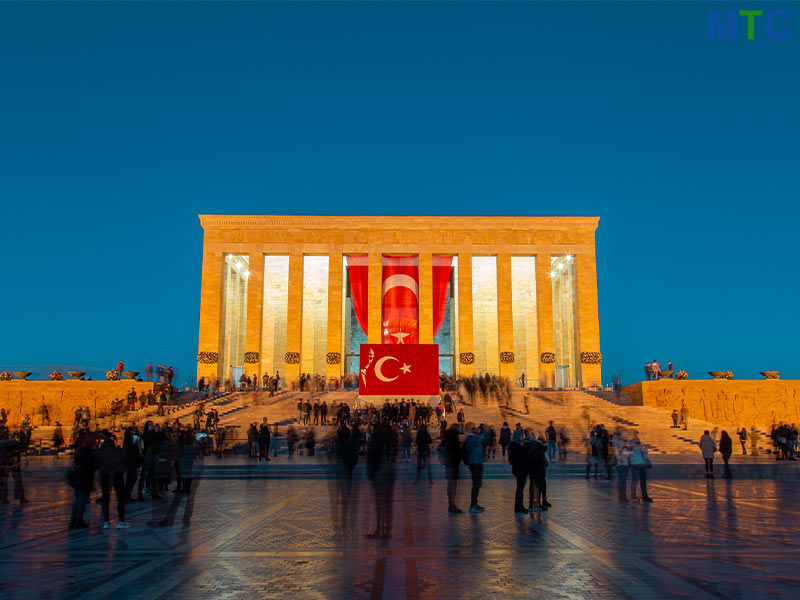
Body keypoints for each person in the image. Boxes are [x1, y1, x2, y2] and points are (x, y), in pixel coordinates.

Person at [95, 432, 129, 529]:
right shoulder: (118, 450)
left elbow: (97, 463)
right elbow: (125, 461)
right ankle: (121, 520)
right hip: (117, 474)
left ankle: (106, 521)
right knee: (120, 498)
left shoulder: (101, 451)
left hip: (105, 475)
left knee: (106, 498)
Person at [69, 433, 97, 530]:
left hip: (78, 477)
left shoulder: (79, 450)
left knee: (77, 500)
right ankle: (78, 521)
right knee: (81, 500)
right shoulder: (87, 451)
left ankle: (75, 521)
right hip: (83, 478)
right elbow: (90, 466)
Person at [463, 422, 485, 513]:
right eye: (473, 428)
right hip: (474, 463)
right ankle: (473, 505)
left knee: (478, 484)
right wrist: (483, 432)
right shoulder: (470, 438)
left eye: (474, 428)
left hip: (478, 462)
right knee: (476, 484)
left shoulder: (473, 437)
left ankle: (475, 503)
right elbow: (478, 441)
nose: (474, 429)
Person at [444, 425, 462, 514]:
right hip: (453, 463)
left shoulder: (447, 439)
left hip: (449, 463)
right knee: (453, 484)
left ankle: (451, 505)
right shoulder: (454, 439)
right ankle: (452, 505)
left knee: (450, 483)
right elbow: (456, 451)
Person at [509, 427, 527, 514]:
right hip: (520, 470)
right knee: (520, 489)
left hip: (520, 469)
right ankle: (518, 507)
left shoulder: (516, 445)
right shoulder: (516, 446)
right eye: (521, 435)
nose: (522, 437)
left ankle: (519, 506)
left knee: (520, 489)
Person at [629, 434, 653, 501]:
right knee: (635, 480)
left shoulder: (640, 446)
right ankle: (633, 496)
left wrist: (644, 450)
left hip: (642, 464)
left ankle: (644, 496)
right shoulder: (632, 445)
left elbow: (645, 454)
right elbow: (631, 451)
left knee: (643, 481)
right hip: (635, 465)